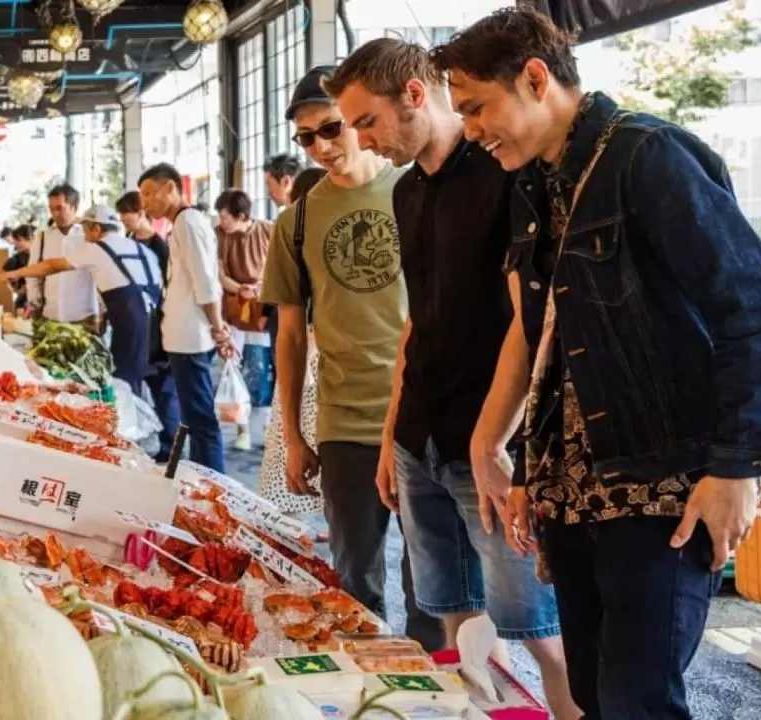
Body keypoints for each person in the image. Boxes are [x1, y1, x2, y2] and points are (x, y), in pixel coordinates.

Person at [436, 9, 761, 718]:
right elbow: (547, 338)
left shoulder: (648, 156)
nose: (473, 131)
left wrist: (736, 468)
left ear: (535, 79)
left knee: (639, 702)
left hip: (659, 488)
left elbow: (759, 306)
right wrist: (524, 463)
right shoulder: (534, 185)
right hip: (573, 496)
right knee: (597, 696)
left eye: (477, 107)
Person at [325, 38, 577, 716]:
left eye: (367, 122)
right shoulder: (407, 193)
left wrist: (498, 441)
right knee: (449, 615)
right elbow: (417, 323)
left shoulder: (504, 175)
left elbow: (536, 323)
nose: (363, 141)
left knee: (541, 629)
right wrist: (389, 438)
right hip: (419, 439)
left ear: (412, 94)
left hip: (489, 442)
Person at [261, 67, 443, 651]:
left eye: (331, 128)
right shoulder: (298, 221)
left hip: (424, 418)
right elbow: (289, 336)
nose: (321, 146)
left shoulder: (417, 190)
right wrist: (293, 434)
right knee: (355, 585)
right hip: (344, 423)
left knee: (435, 592)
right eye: (306, 138)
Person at [0, 206, 163, 393]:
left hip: (132, 327)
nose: (82, 234)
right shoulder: (142, 249)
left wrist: (15, 273)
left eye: (84, 228)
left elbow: (51, 266)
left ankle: (136, 422)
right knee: (162, 389)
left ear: (96, 229)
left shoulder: (97, 249)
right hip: (160, 322)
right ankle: (168, 423)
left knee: (126, 388)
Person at [139, 163, 234, 473]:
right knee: (194, 417)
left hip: (191, 337)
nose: (146, 202)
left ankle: (216, 487)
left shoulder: (187, 222)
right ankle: (205, 479)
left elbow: (205, 282)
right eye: (143, 196)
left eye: (151, 193)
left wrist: (219, 330)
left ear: (172, 188)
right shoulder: (181, 223)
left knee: (201, 419)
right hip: (183, 336)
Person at [259, 167, 327, 519]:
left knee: (300, 434)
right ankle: (316, 510)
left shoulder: (297, 231)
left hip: (310, 359)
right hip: (313, 355)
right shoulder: (294, 230)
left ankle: (297, 512)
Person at [117, 190, 180, 462]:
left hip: (158, 325)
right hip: (135, 325)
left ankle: (171, 445)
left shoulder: (160, 246)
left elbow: (170, 286)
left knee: (163, 389)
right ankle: (141, 439)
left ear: (140, 213)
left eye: (127, 218)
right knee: (134, 387)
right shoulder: (127, 243)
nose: (124, 223)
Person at [215, 188, 274, 451]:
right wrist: (239, 288)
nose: (221, 221)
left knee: (265, 370)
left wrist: (258, 288)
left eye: (225, 216)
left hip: (263, 309)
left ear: (241, 215)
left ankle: (270, 429)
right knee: (236, 368)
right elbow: (219, 274)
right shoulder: (219, 236)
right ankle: (243, 430)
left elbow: (278, 268)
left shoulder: (267, 230)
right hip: (234, 309)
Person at [26, 185, 99, 332]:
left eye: (60, 208)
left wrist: (102, 312)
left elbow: (100, 274)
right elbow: (33, 274)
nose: (55, 213)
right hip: (50, 317)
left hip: (84, 317)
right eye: (51, 209)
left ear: (74, 207)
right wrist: (34, 302)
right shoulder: (43, 237)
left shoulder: (89, 236)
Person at [2, 224, 33, 310]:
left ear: (30, 239)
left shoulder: (43, 255)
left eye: (19, 240)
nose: (16, 244)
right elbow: (5, 278)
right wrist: (16, 291)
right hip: (24, 301)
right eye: (15, 240)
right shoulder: (16, 258)